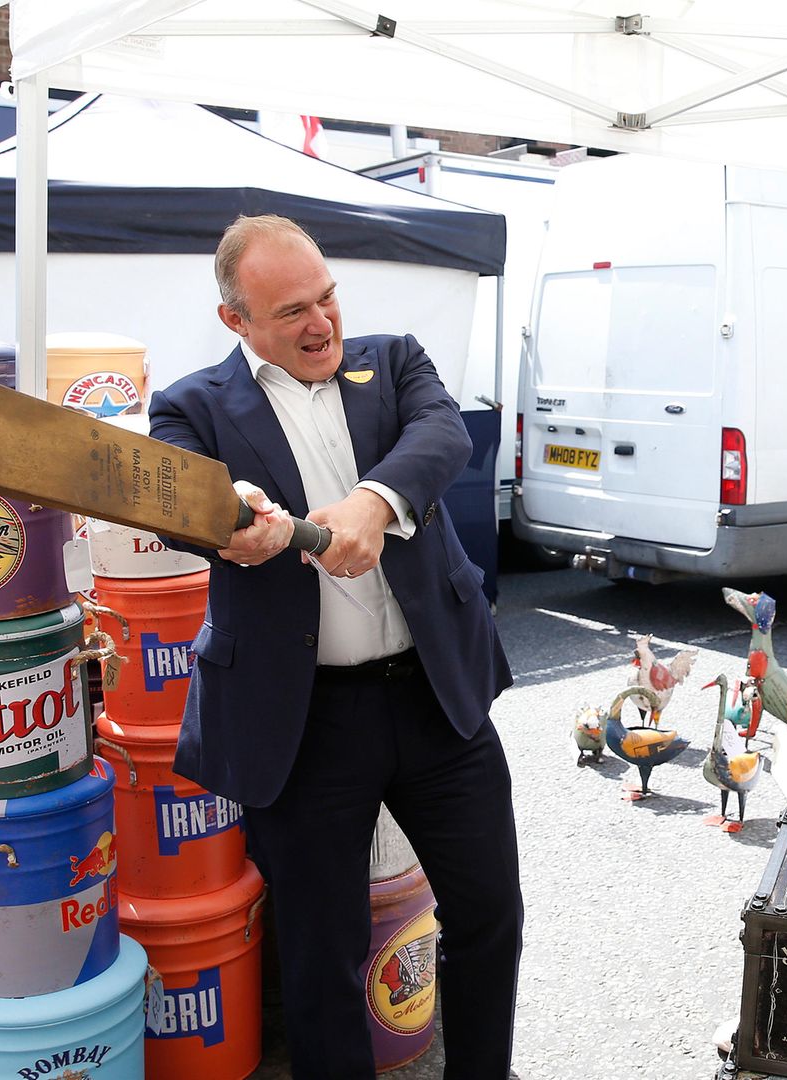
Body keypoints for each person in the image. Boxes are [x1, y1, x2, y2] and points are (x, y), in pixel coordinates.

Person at [147, 214, 522, 1080]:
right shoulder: (190, 406)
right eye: (291, 313)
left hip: (436, 699)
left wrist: (371, 503)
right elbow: (185, 500)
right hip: (303, 721)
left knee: (489, 914)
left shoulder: (393, 362)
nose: (321, 325)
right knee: (321, 959)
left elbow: (442, 437)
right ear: (235, 322)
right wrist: (229, 511)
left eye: (328, 299)